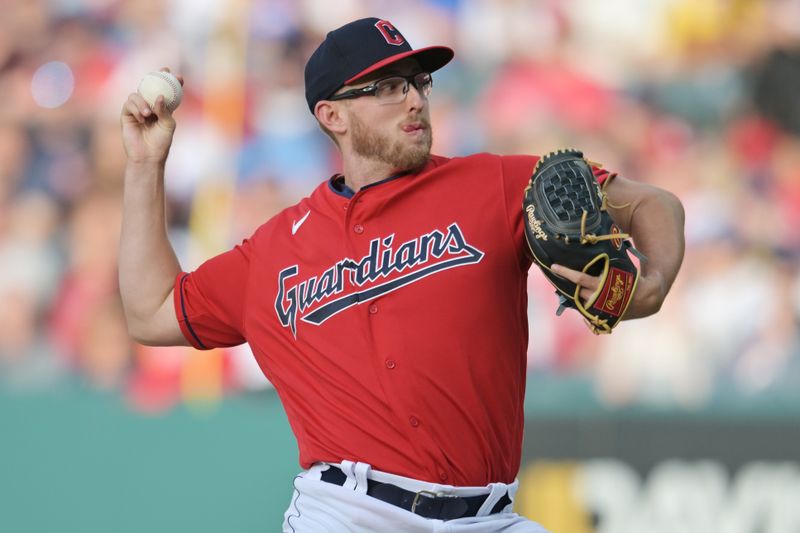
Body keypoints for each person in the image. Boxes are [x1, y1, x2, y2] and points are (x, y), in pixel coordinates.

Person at [119, 17, 685, 533]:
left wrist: (653, 283)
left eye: (418, 82)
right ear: (331, 114)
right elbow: (151, 311)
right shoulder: (272, 253)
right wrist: (146, 167)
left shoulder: (496, 184)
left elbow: (652, 204)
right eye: (387, 87)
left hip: (488, 517)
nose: (413, 99)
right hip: (349, 513)